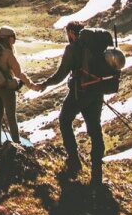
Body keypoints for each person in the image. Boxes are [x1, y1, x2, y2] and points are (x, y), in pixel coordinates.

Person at [36, 21, 106, 185]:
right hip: (97, 92)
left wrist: (45, 83)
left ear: (72, 33)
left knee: (65, 120)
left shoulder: (72, 48)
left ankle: (74, 160)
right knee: (95, 128)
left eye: (68, 33)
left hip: (79, 93)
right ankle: (97, 173)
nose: (67, 36)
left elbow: (61, 74)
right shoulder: (97, 46)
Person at [0, 26, 37, 148]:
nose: (15, 40)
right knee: (11, 118)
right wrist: (31, 85)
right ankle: (17, 145)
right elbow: (18, 73)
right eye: (14, 37)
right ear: (9, 38)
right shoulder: (8, 53)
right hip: (7, 89)